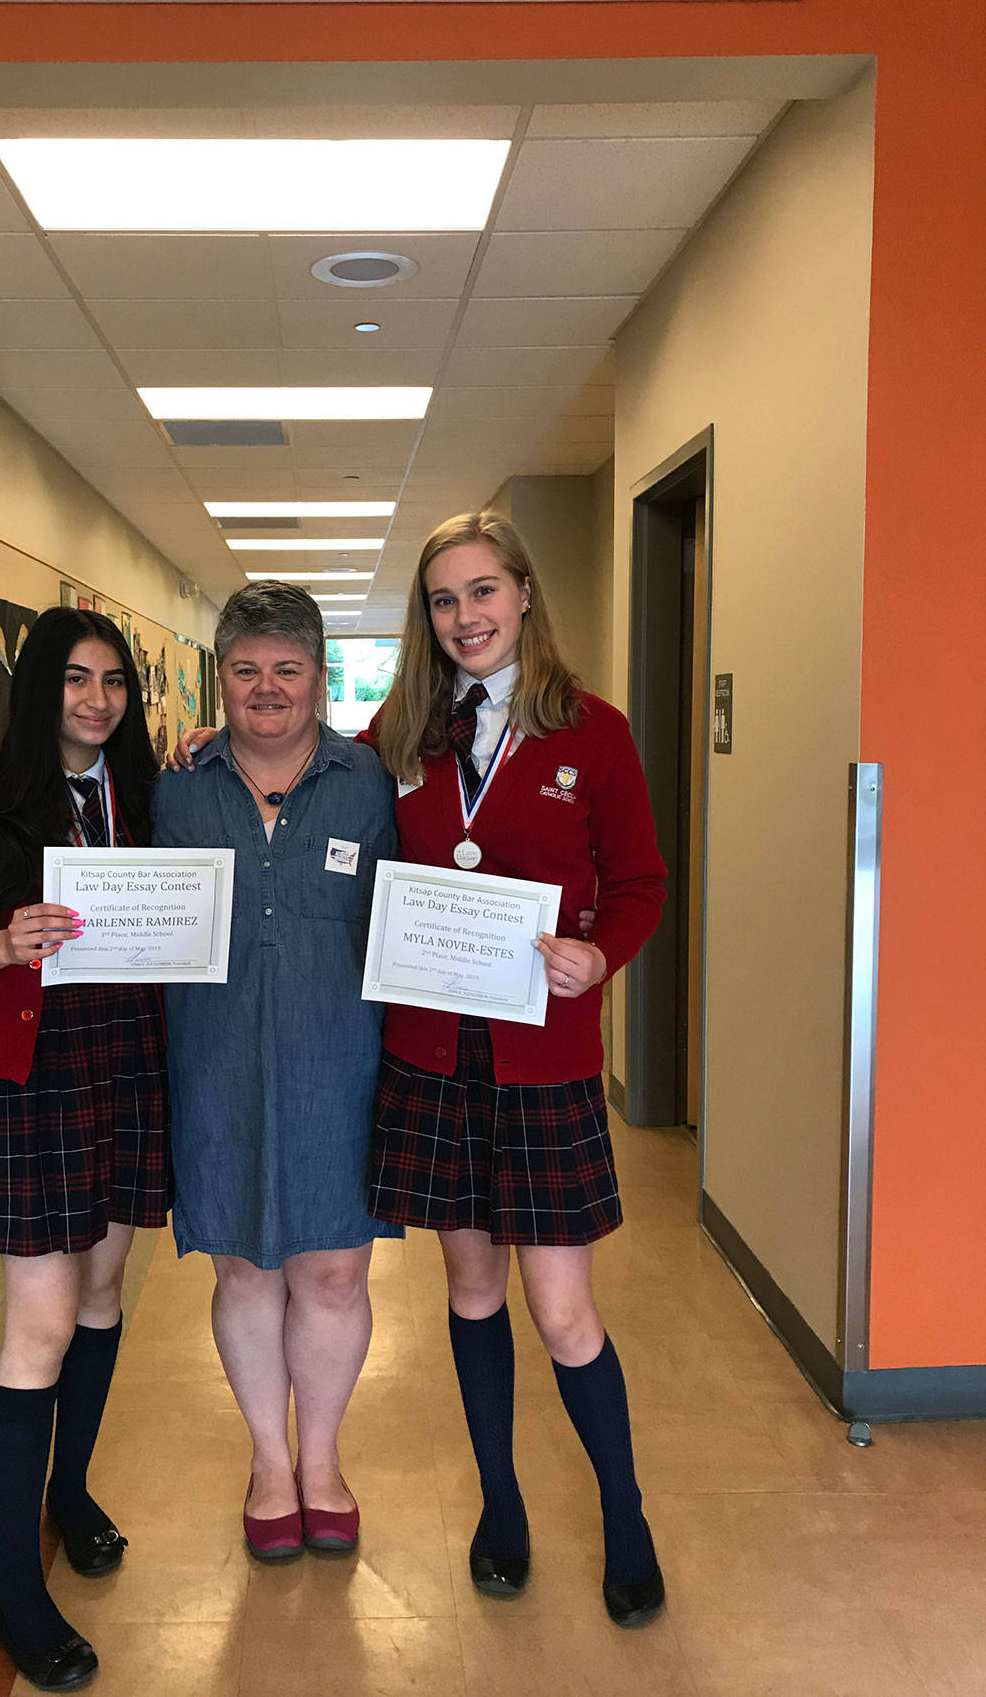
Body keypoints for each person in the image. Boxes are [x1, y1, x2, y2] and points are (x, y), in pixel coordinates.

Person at [362, 510, 668, 1623]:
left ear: (525, 594)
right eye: (444, 600)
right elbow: (304, 782)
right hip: (433, 1059)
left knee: (562, 1309)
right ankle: (500, 1502)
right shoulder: (400, 734)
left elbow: (638, 880)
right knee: (471, 1287)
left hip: (540, 1057)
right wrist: (218, 750)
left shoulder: (591, 731)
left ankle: (623, 1516)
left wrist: (601, 954)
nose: (465, 617)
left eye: (483, 592)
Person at [0, 607, 170, 1691]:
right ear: (39, 688)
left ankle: (70, 1491)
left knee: (106, 1294)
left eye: (112, 682)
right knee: (44, 1323)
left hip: (127, 1062)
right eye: (74, 680)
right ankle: (14, 1586)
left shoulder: (150, 796)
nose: (96, 700)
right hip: (31, 1075)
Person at [153, 580, 400, 1562]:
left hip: (340, 1061)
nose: (266, 688)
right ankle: (268, 1463)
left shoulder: (370, 785)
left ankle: (325, 1461)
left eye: (286, 669)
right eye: (245, 670)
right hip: (213, 1063)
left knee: (334, 1270)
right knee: (245, 1265)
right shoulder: (174, 787)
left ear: (318, 676)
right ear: (220, 678)